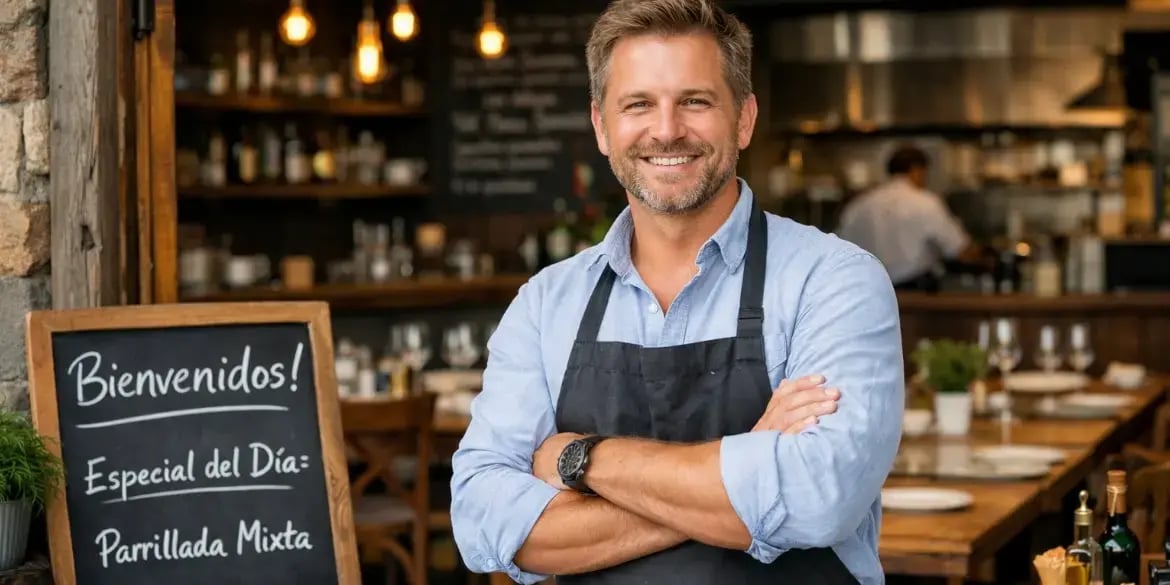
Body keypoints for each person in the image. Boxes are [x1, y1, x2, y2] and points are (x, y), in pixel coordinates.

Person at [449, 1, 903, 584]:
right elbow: (482, 523)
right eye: (638, 104)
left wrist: (581, 458)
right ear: (601, 127)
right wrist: (749, 460)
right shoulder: (546, 304)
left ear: (743, 118)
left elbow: (819, 499)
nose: (666, 130)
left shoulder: (834, 279)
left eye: (695, 101)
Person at [835, 144, 984, 291]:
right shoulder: (924, 202)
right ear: (917, 170)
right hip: (916, 291)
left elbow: (840, 252)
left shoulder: (858, 206)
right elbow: (959, 250)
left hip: (868, 291)